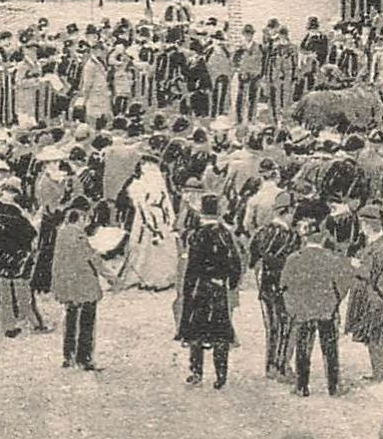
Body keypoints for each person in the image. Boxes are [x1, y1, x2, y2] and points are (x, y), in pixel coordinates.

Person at [281, 204, 353, 397]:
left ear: (305, 238)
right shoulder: (332, 258)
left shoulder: (294, 258)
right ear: (322, 237)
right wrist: (335, 299)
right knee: (330, 349)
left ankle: (302, 386)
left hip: (303, 310)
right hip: (327, 309)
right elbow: (344, 282)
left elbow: (285, 284)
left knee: (303, 349)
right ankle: (334, 386)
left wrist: (293, 306)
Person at [176, 194, 243, 388]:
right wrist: (231, 281)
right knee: (220, 332)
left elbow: (191, 266)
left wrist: (187, 289)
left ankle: (196, 371)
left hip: (199, 286)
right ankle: (221, 375)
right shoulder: (224, 233)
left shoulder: (196, 235)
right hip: (218, 286)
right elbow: (235, 261)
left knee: (196, 330)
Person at [0, 180, 46, 337]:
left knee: (5, 297)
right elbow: (30, 234)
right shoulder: (14, 212)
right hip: (16, 261)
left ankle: (8, 327)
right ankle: (36, 324)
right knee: (24, 296)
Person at [248, 191, 301, 378]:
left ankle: (270, 365)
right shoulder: (292, 237)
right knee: (286, 326)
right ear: (288, 211)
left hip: (266, 285)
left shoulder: (262, 232)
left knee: (271, 327)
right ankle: (281, 366)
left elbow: (252, 260)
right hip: (286, 287)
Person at [346, 203, 383, 381]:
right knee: (373, 337)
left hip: (376, 298)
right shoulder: (377, 244)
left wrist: (354, 265)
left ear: (369, 225)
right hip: (372, 297)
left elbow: (369, 273)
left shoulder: (382, 248)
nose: (361, 228)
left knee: (377, 338)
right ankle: (379, 372)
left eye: (363, 224)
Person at [52, 201, 103, 370]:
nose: (87, 222)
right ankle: (84, 357)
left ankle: (69, 356)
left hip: (67, 284)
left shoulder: (62, 233)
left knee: (70, 319)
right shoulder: (79, 236)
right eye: (86, 218)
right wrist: (113, 278)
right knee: (87, 321)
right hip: (83, 284)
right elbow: (92, 259)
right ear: (80, 217)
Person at [118, 158, 178, 291]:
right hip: (155, 216)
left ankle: (150, 278)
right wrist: (169, 220)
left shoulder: (140, 184)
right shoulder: (150, 184)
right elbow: (165, 204)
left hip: (149, 217)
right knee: (155, 248)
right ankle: (158, 278)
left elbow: (143, 206)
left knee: (146, 248)